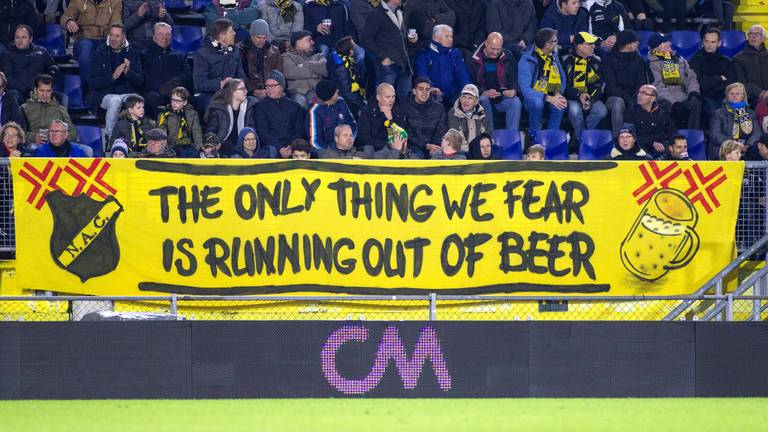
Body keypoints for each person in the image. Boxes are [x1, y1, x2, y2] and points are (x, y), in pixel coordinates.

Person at [90, 23, 144, 140]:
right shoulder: (100, 53)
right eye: (111, 35)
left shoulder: (133, 53)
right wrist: (113, 77)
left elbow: (140, 81)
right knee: (115, 100)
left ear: (124, 37)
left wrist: (128, 72)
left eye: (117, 36)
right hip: (105, 94)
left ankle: (138, 138)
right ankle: (111, 138)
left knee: (137, 100)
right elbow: (93, 83)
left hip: (127, 93)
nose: (113, 39)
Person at [61, 0, 123, 97]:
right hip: (84, 39)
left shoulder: (115, 2)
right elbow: (65, 17)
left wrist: (111, 38)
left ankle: (110, 90)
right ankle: (88, 88)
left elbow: (116, 23)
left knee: (114, 48)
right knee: (86, 48)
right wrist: (69, 21)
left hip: (105, 39)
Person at [361, 0, 419, 100]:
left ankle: (403, 116)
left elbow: (401, 38)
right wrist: (382, 56)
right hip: (388, 66)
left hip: (405, 63)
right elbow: (366, 38)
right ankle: (379, 115)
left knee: (406, 98)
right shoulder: (376, 14)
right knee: (384, 98)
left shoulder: (400, 13)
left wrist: (412, 39)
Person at [518, 28, 566, 142]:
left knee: (560, 103)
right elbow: (525, 89)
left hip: (549, 90)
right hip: (532, 95)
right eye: (555, 41)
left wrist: (557, 95)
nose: (557, 43)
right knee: (537, 102)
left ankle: (550, 138)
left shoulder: (553, 56)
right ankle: (533, 136)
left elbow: (563, 78)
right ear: (547, 45)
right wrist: (547, 97)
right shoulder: (527, 59)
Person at [646, 32, 702, 130]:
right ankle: (671, 136)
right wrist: (674, 103)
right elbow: (658, 87)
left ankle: (692, 134)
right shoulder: (651, 64)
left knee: (696, 102)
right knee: (664, 106)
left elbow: (691, 77)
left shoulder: (678, 58)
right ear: (658, 47)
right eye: (666, 42)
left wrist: (693, 92)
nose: (670, 44)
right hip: (666, 99)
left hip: (683, 95)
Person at [467, 32, 521, 133]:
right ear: (485, 43)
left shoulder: (508, 55)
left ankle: (512, 138)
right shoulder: (472, 58)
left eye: (498, 49)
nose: (495, 52)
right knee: (483, 99)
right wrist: (483, 92)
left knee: (515, 101)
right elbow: (469, 83)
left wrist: (514, 90)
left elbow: (515, 77)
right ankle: (490, 137)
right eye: (493, 49)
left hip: (502, 98)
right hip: (482, 98)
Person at [562, 32, 608, 143]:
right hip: (571, 97)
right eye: (589, 44)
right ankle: (583, 142)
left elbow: (600, 84)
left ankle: (580, 136)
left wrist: (590, 99)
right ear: (579, 46)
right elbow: (563, 85)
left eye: (593, 44)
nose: (594, 46)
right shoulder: (565, 60)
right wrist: (578, 95)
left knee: (601, 111)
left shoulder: (597, 61)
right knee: (574, 110)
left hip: (591, 97)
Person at [602, 29, 650, 135]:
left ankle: (645, 139)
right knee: (618, 103)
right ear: (628, 45)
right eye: (635, 41)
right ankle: (618, 138)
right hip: (614, 97)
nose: (638, 43)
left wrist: (636, 96)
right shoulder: (609, 60)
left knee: (647, 100)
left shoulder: (639, 60)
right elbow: (611, 87)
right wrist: (627, 97)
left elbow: (641, 83)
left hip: (634, 95)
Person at [141, 22, 192, 119]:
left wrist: (173, 85)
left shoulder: (180, 55)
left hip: (176, 91)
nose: (164, 37)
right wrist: (161, 88)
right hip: (154, 92)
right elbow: (144, 78)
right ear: (154, 36)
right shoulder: (144, 55)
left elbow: (188, 75)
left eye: (167, 34)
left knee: (193, 100)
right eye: (160, 34)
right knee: (153, 98)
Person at [193, 19, 246, 108]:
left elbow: (241, 76)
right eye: (231, 31)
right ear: (222, 36)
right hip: (209, 94)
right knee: (219, 105)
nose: (234, 34)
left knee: (251, 102)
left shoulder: (235, 51)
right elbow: (200, 83)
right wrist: (221, 83)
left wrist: (237, 85)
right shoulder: (202, 54)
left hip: (231, 92)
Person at [1, 25, 58, 107]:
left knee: (58, 97)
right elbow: (7, 78)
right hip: (18, 92)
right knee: (11, 96)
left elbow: (53, 67)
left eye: (24, 37)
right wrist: (26, 89)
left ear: (30, 39)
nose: (20, 40)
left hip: (39, 91)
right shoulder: (7, 54)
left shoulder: (41, 52)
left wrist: (46, 81)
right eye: (17, 37)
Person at [254, 70, 306, 158]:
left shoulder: (295, 106)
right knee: (271, 152)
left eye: (273, 85)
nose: (270, 89)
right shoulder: (260, 106)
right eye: (267, 86)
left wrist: (291, 146)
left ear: (282, 87)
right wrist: (280, 148)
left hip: (292, 145)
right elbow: (263, 133)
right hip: (272, 146)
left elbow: (298, 130)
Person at [414, 25, 470, 105]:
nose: (450, 39)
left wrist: (468, 89)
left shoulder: (456, 53)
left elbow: (462, 74)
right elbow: (422, 74)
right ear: (436, 38)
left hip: (454, 94)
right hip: (432, 94)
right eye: (447, 36)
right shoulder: (424, 54)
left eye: (451, 37)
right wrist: (430, 88)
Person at [689, 28, 734, 126]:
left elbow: (731, 83)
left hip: (724, 96)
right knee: (717, 114)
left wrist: (712, 82)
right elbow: (700, 84)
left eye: (713, 42)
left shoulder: (725, 61)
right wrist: (719, 78)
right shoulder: (695, 61)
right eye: (707, 41)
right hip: (705, 97)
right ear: (703, 42)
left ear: (719, 43)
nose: (709, 45)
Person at [204, 78, 259, 156]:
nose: (246, 91)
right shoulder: (218, 110)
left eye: (245, 89)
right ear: (232, 92)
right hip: (223, 146)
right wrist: (213, 144)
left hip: (243, 146)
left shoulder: (249, 107)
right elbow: (211, 131)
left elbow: (252, 129)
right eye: (242, 89)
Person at [21, 74, 78, 145]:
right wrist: (33, 137)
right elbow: (18, 133)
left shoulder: (60, 109)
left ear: (51, 91)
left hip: (57, 144)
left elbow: (74, 134)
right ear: (35, 90)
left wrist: (62, 136)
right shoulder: (24, 108)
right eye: (41, 90)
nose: (44, 95)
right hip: (35, 144)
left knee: (87, 150)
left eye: (48, 91)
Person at [624, 84, 676, 158]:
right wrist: (652, 142)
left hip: (662, 148)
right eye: (639, 92)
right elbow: (628, 137)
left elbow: (672, 133)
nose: (639, 95)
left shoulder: (662, 112)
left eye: (644, 93)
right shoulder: (630, 112)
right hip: (641, 149)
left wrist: (665, 145)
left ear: (653, 98)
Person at [710, 82, 761, 155]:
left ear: (743, 97)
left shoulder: (750, 114)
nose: (734, 96)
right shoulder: (718, 113)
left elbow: (757, 133)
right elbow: (715, 135)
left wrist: (748, 145)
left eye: (737, 94)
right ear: (727, 96)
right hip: (724, 150)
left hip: (745, 149)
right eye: (731, 94)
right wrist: (733, 144)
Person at [281, 30, 328, 109]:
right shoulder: (287, 56)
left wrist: (305, 65)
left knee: (323, 106)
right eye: (309, 40)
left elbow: (324, 70)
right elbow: (290, 72)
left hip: (316, 92)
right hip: (298, 93)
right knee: (300, 105)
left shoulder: (318, 56)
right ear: (298, 42)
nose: (313, 42)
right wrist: (316, 72)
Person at [402, 77, 447, 159]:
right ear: (414, 91)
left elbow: (441, 130)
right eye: (421, 89)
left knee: (438, 157)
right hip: (413, 146)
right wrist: (425, 145)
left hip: (434, 146)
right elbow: (406, 133)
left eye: (427, 90)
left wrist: (434, 146)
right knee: (417, 157)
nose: (424, 93)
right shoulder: (405, 107)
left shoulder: (439, 108)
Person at [357, 83, 409, 152]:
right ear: (378, 98)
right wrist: (387, 145)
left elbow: (402, 136)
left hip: (393, 149)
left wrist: (391, 119)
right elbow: (364, 138)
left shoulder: (398, 109)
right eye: (387, 97)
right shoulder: (367, 111)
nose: (391, 100)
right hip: (373, 149)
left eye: (393, 97)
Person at [307, 80, 357, 150]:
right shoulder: (315, 111)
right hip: (329, 150)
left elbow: (353, 124)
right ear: (330, 95)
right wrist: (331, 149)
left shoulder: (341, 101)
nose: (338, 91)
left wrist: (351, 138)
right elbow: (315, 141)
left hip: (348, 145)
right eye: (335, 91)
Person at [240, 19, 283, 99]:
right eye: (258, 37)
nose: (262, 41)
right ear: (251, 35)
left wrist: (271, 89)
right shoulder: (241, 51)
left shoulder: (274, 52)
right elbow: (241, 76)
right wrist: (252, 91)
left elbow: (278, 75)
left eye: (264, 38)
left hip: (272, 91)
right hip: (250, 93)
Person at [157, 87, 203, 157]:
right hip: (171, 146)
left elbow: (196, 132)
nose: (174, 103)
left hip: (188, 145)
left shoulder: (192, 114)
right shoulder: (164, 115)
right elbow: (161, 134)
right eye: (173, 100)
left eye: (178, 101)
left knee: (190, 153)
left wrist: (198, 149)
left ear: (185, 102)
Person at [328, 36, 366, 116]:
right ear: (350, 51)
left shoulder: (345, 58)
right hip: (346, 102)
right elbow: (347, 92)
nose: (356, 46)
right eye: (353, 45)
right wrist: (363, 106)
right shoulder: (341, 69)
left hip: (351, 97)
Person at [733, 25, 768, 105]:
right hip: (751, 98)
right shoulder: (738, 58)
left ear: (763, 38)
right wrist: (760, 93)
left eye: (757, 34)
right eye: (750, 34)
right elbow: (741, 83)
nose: (753, 36)